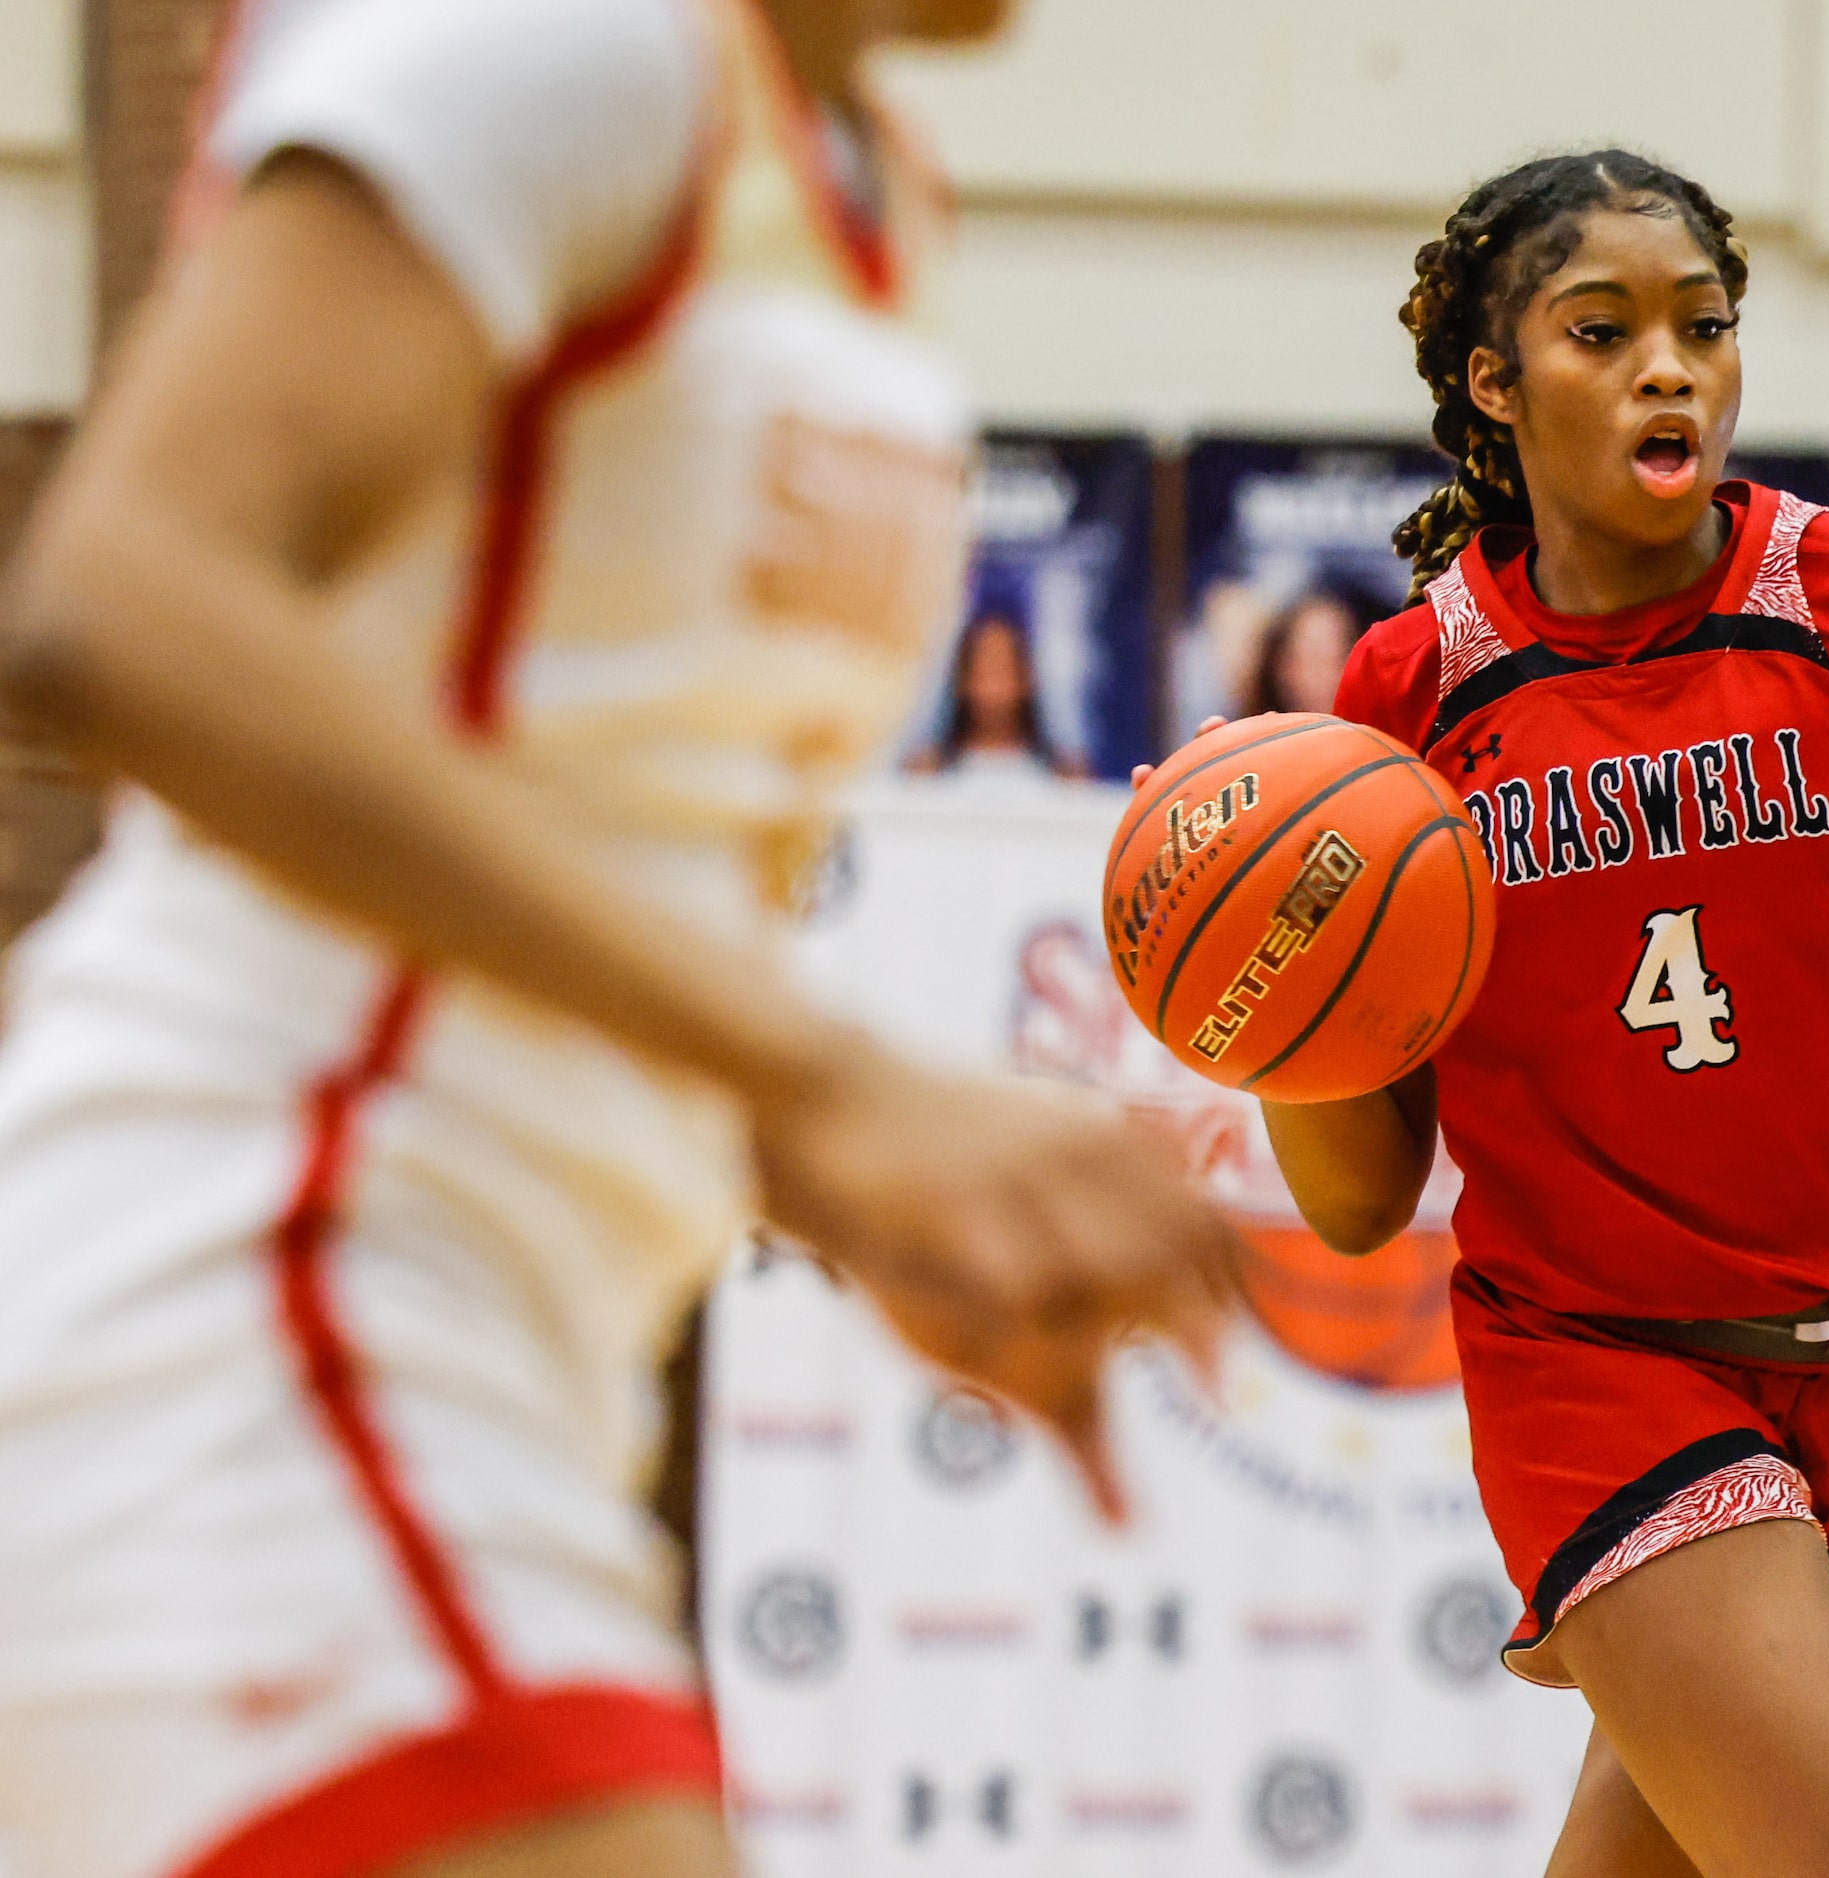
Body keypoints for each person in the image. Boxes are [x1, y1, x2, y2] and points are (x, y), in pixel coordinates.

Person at [0, 2, 1233, 1876]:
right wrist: (826, 1071)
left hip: (492, 1335)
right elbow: (124, 597)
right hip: (261, 1286)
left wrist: (829, 1159)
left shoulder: (865, 180)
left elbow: (587, 823)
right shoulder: (563, 39)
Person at [1262, 150, 1829, 1877]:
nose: (1667, 366)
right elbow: (1356, 1196)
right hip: (1603, 1371)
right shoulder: (1410, 693)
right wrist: (1264, 1009)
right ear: (1492, 379)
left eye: (1703, 324)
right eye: (1599, 331)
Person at [915, 606, 1066, 781]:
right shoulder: (925, 778)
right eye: (984, 669)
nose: (994, 683)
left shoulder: (1064, 781)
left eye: (1003, 668)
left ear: (1027, 679)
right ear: (962, 680)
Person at [1241, 586, 1370, 718]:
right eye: (1316, 659)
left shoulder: (1378, 733)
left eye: (1341, 657)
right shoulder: (1246, 734)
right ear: (1281, 668)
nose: (1331, 676)